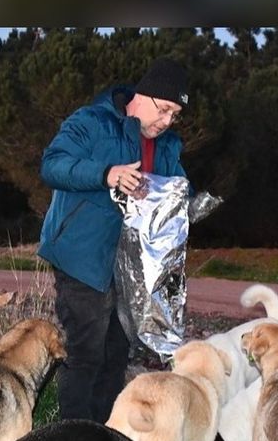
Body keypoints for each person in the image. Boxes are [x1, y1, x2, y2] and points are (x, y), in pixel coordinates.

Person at [37, 57, 190, 422]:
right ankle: (71, 439)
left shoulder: (167, 146)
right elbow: (52, 164)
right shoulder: (92, 121)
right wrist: (107, 174)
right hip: (83, 257)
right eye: (165, 109)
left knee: (116, 355)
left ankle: (101, 438)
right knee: (86, 353)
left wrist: (185, 203)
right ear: (143, 95)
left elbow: (178, 189)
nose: (167, 121)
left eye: (176, 115)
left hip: (133, 269)